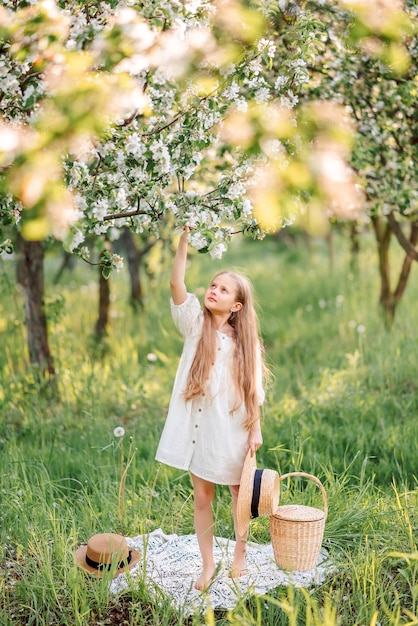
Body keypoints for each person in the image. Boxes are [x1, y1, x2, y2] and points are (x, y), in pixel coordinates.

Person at [155, 227, 268, 591]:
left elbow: (254, 389)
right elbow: (175, 284)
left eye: (222, 289)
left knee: (240, 496)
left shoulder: (245, 343)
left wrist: (255, 428)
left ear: (236, 305)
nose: (213, 290)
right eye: (212, 284)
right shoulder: (194, 325)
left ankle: (240, 555)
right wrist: (183, 243)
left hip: (233, 426)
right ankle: (208, 565)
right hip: (201, 428)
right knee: (203, 495)